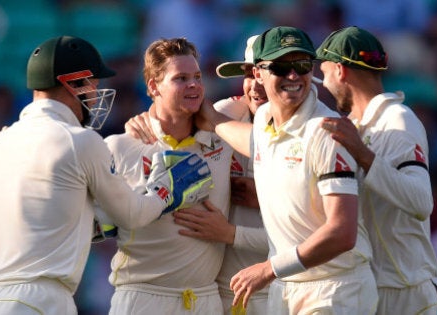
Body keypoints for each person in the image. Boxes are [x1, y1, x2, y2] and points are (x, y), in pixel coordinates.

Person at [0, 35, 212, 314]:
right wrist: (165, 187)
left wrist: (88, 223)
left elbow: (43, 207)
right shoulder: (80, 140)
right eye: (93, 85)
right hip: (38, 298)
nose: (96, 96)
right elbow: (133, 214)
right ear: (73, 84)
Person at [198, 26, 378, 314]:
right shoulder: (265, 123)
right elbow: (246, 137)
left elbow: (343, 233)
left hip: (334, 289)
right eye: (282, 67)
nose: (294, 76)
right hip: (288, 288)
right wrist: (201, 112)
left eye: (302, 66)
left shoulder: (328, 132)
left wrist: (270, 268)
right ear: (258, 73)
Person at [315, 26, 437, 314]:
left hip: (405, 292)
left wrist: (363, 154)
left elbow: (421, 202)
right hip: (371, 287)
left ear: (341, 71)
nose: (325, 85)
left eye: (326, 73)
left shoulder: (398, 121)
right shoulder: (355, 128)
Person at [124, 35, 270, 314]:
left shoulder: (220, 121)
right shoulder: (228, 112)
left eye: (197, 77)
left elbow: (267, 146)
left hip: (274, 289)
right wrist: (144, 123)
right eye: (249, 74)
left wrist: (258, 203)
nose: (256, 85)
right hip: (205, 295)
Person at [104, 37, 233, 315]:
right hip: (142, 298)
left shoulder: (223, 140)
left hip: (205, 300)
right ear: (153, 86)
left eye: (198, 77)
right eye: (181, 78)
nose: (194, 85)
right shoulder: (121, 145)